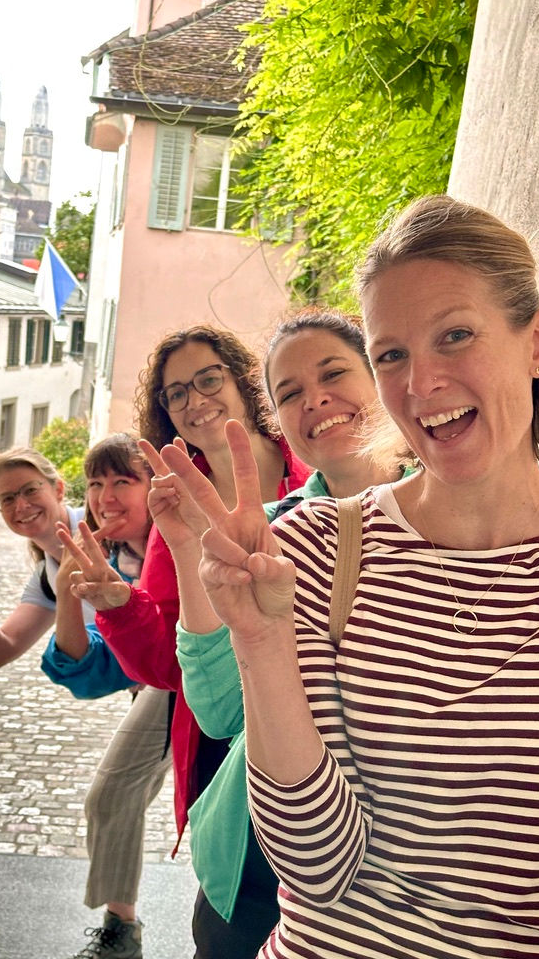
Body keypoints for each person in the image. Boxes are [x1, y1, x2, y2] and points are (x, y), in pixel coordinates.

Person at [161, 195, 539, 959]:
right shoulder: (318, 544)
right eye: (392, 354)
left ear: (538, 343)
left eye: (455, 336)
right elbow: (318, 869)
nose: (420, 383)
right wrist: (259, 643)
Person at [168, 309, 406, 958]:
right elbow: (217, 714)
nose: (316, 399)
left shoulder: (458, 525)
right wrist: (187, 548)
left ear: (385, 376)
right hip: (248, 871)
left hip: (400, 887)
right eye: (290, 392)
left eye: (334, 374)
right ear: (277, 420)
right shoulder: (269, 532)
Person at [59, 325, 310, 871]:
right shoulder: (173, 505)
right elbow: (170, 667)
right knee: (234, 894)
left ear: (244, 381)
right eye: (177, 394)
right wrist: (117, 604)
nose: (195, 401)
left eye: (208, 380)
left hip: (328, 720)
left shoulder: (314, 468)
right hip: (223, 730)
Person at [0, 439, 169, 959]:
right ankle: (123, 929)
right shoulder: (52, 572)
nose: (20, 506)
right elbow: (2, 649)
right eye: (7, 499)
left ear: (58, 489)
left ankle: (132, 932)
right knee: (121, 800)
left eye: (29, 490)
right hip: (155, 685)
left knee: (121, 797)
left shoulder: (112, 529)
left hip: (193, 673)